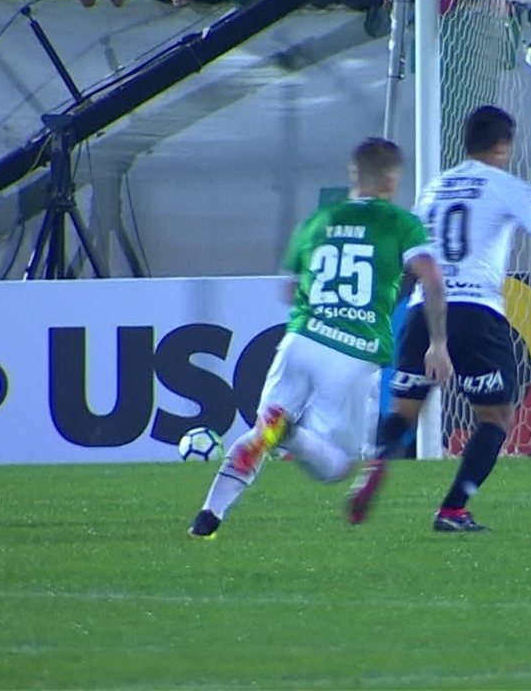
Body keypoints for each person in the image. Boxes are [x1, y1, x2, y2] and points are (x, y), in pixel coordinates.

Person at [347, 105, 531, 532]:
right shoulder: (505, 186)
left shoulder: (434, 188)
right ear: (504, 144)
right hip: (476, 314)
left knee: (405, 411)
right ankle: (453, 509)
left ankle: (376, 462)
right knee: (495, 419)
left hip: (421, 313)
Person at [188, 137, 451, 539]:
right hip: (353, 353)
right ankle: (288, 431)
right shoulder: (400, 223)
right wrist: (437, 342)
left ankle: (208, 517)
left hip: (301, 340)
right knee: (339, 466)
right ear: (392, 178)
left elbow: (290, 290)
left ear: (353, 174)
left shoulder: (317, 221)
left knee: (261, 432)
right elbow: (432, 277)